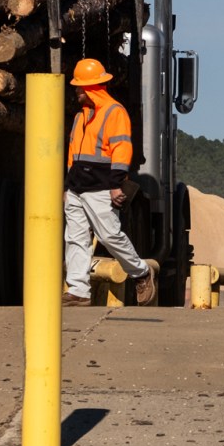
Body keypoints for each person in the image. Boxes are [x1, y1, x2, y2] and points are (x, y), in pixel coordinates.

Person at [63, 57, 148, 306]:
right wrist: (68, 187)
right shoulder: (81, 117)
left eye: (79, 87)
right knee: (75, 238)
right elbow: (72, 154)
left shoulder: (115, 112)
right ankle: (78, 290)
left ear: (90, 88)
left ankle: (141, 272)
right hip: (77, 188)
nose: (76, 91)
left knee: (110, 235)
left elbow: (122, 149)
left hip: (101, 186)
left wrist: (115, 184)